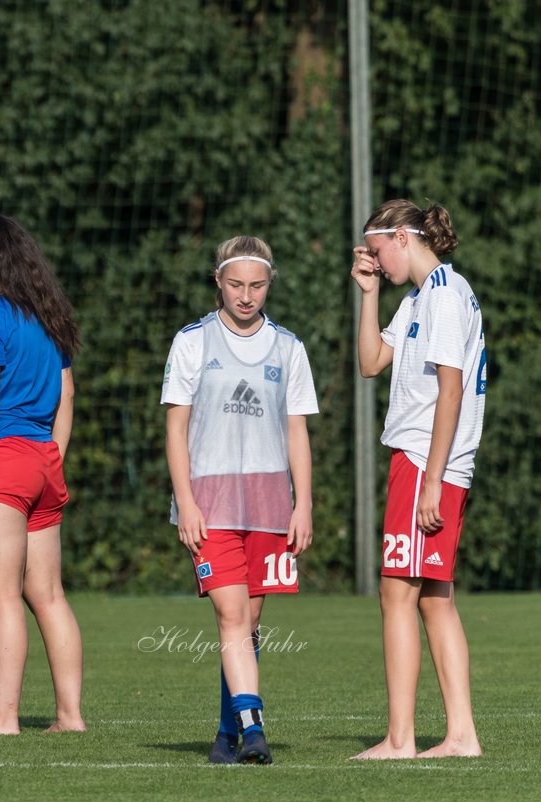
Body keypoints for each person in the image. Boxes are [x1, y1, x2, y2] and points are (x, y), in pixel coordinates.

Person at [161, 236, 317, 765]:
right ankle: (254, 729)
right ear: (217, 282)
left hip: (271, 501)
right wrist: (186, 501)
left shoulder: (289, 347)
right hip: (211, 498)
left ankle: (228, 736)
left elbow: (297, 432)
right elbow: (176, 428)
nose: (246, 295)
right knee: (230, 614)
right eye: (235, 285)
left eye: (256, 285)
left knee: (248, 623)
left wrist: (304, 504)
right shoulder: (192, 342)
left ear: (269, 283)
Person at [350, 200, 485, 760]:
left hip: (425, 460)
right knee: (435, 599)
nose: (374, 261)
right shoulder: (419, 297)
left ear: (402, 238)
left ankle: (401, 739)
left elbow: (450, 390)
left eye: (377, 250)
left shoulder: (445, 297)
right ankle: (460, 737)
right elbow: (371, 361)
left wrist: (431, 479)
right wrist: (368, 294)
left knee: (395, 594)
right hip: (432, 461)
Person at [0, 216, 84, 736]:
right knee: (49, 595)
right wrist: (51, 456)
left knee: (1, 597)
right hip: (42, 461)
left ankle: (3, 717)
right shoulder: (47, 319)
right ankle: (70, 716)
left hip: (2, 461)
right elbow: (68, 396)